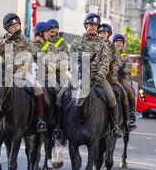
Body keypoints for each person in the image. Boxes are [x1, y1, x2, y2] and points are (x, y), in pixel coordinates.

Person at [54, 13, 124, 144]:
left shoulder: (101, 44)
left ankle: (114, 127)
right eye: (90, 24)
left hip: (96, 78)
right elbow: (70, 59)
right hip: (79, 77)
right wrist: (75, 72)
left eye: (95, 25)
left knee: (112, 97)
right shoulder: (76, 42)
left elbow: (105, 61)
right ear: (86, 25)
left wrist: (100, 74)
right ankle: (59, 129)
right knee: (60, 96)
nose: (93, 27)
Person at [0, 13, 47, 139]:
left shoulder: (26, 41)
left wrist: (13, 67)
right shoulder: (3, 39)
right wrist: (8, 39)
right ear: (7, 29)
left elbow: (27, 56)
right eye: (12, 26)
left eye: (16, 25)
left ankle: (41, 120)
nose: (15, 28)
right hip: (3, 73)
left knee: (38, 88)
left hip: (21, 72)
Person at [98, 24, 136, 131]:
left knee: (127, 92)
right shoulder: (95, 45)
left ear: (108, 35)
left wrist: (116, 71)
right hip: (96, 76)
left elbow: (119, 64)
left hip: (114, 78)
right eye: (100, 33)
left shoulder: (116, 50)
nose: (102, 35)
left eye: (104, 33)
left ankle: (129, 118)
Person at [113, 34, 137, 125]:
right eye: (116, 42)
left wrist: (122, 69)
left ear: (123, 44)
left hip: (121, 79)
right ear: (114, 43)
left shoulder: (126, 56)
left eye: (120, 42)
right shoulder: (109, 54)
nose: (118, 44)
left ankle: (131, 114)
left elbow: (129, 70)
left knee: (130, 91)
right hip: (110, 78)